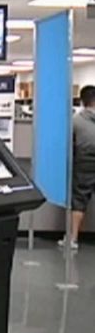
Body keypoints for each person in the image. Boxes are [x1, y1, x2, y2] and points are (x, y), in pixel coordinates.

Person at [64, 85, 95, 249]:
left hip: (84, 162)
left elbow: (69, 143)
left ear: (82, 101)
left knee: (79, 200)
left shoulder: (75, 120)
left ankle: (73, 239)